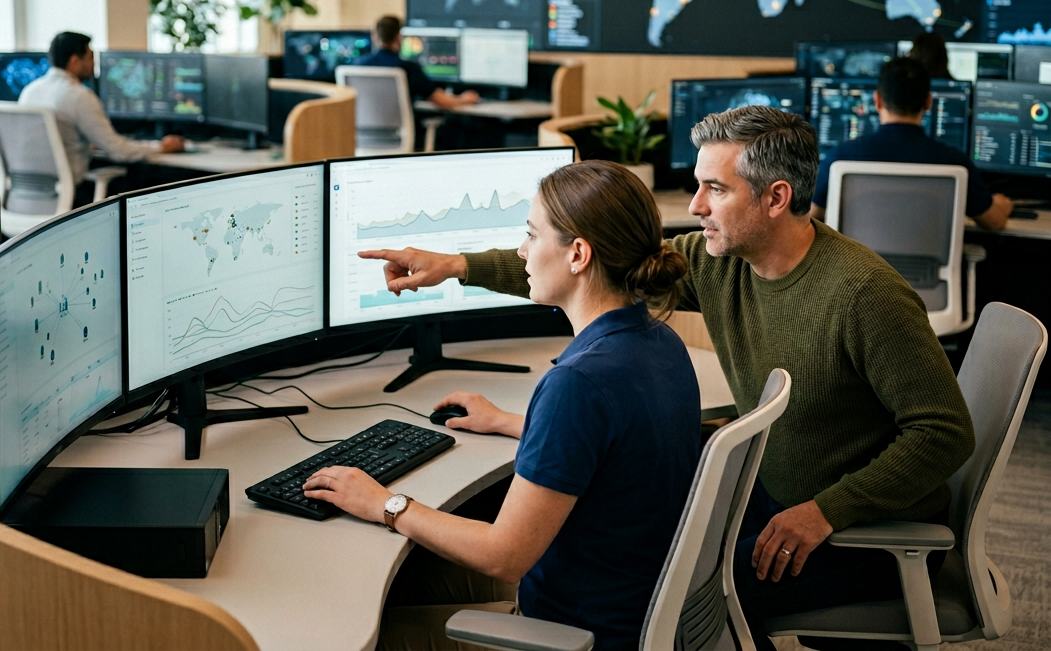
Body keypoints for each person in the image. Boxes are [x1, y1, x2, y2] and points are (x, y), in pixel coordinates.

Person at [359, 106, 975, 651]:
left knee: (660, 579)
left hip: (852, 532)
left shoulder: (865, 294)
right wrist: (457, 267)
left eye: (714, 189)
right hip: (765, 504)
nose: (698, 206)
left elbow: (944, 433)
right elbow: (609, 253)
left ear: (776, 198)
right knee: (640, 541)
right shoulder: (724, 262)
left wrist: (826, 511)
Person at [304, 161, 700, 651]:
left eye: (531, 235)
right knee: (405, 586)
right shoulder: (660, 341)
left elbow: (503, 557)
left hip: (575, 632)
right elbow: (617, 446)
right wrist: (511, 422)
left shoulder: (578, 383)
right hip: (629, 605)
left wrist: (381, 503)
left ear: (577, 254)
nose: (521, 251)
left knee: (373, 636)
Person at [811, 57, 1013, 230]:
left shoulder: (841, 158)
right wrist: (1002, 205)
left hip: (857, 275)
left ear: (877, 100)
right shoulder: (953, 162)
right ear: (928, 102)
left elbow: (810, 216)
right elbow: (994, 222)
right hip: (925, 276)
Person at [18, 32, 184, 205]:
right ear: (75, 61)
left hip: (26, 199)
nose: (94, 64)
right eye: (90, 58)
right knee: (143, 180)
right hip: (70, 199)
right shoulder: (79, 96)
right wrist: (161, 147)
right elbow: (119, 151)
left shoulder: (30, 92)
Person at [355, 15, 479, 109]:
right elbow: (442, 101)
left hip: (362, 138)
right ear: (399, 37)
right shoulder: (408, 68)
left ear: (374, 35)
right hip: (401, 137)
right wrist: (464, 99)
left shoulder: (357, 66)